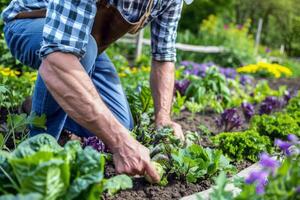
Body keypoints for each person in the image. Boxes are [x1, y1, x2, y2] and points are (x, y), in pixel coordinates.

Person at [1, 0, 191, 182]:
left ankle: (38, 102)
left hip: (83, 43)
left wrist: (163, 118)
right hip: (30, 24)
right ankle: (39, 150)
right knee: (84, 50)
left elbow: (164, 57)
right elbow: (58, 57)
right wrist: (120, 143)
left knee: (121, 123)